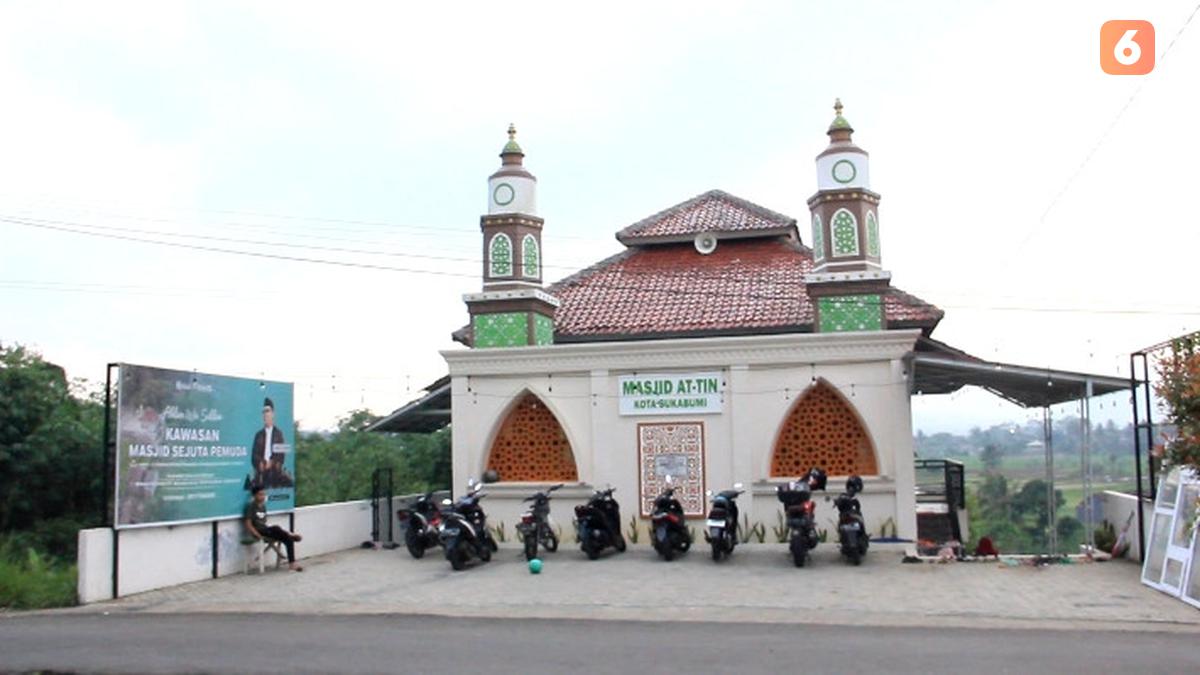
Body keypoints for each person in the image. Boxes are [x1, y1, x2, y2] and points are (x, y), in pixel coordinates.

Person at [244, 484, 304, 572]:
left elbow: (264, 522)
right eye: (260, 494)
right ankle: (289, 533)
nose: (263, 497)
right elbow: (248, 524)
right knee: (276, 528)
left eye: (264, 494)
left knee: (288, 540)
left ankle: (292, 564)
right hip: (259, 531)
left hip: (266, 530)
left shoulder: (263, 506)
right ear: (255, 495)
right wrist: (257, 535)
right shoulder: (251, 506)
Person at [251, 397, 290, 488]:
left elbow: (281, 455)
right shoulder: (258, 435)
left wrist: (272, 462)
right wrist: (261, 462)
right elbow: (254, 455)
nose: (265, 414)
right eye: (264, 412)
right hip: (261, 471)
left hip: (274, 472)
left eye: (267, 411)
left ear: (273, 414)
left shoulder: (278, 434)